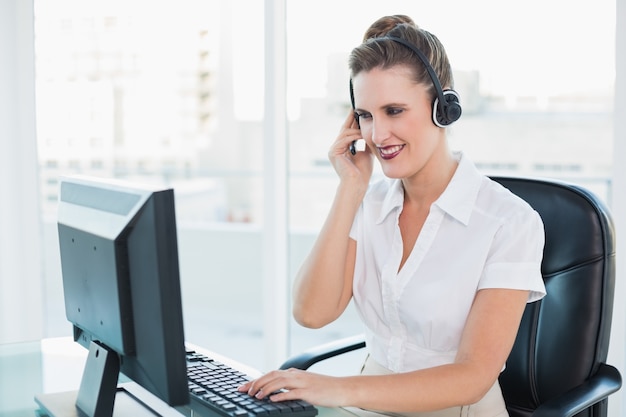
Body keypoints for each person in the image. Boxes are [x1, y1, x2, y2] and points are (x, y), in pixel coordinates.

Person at [238, 15, 546, 417]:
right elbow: (312, 313)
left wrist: (337, 388)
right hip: (366, 403)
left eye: (394, 110)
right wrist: (351, 188)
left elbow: (472, 376)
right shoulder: (370, 204)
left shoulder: (509, 222)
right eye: (365, 115)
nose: (377, 135)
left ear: (443, 107)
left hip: (457, 409)